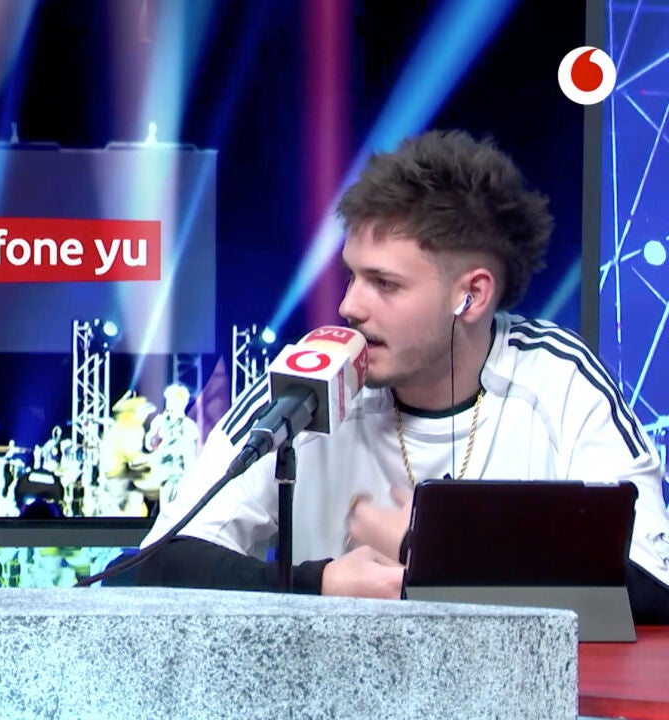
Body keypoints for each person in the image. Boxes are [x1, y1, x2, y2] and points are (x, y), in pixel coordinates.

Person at [137, 129, 669, 623]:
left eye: (384, 284)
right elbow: (158, 564)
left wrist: (432, 550)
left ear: (471, 296)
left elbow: (654, 585)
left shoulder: (560, 378)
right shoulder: (307, 380)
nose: (349, 306)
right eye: (351, 275)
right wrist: (317, 585)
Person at [144, 383, 201, 507]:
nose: (170, 404)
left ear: (182, 403)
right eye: (169, 400)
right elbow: (149, 444)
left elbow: (186, 451)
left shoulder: (188, 426)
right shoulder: (159, 422)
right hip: (164, 476)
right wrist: (156, 435)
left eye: (174, 401)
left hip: (182, 476)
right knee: (165, 508)